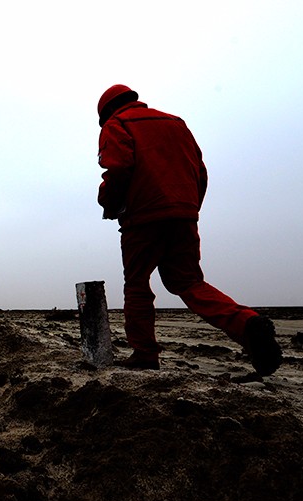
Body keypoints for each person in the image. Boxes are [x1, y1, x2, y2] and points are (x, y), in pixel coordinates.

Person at [95, 84, 282, 375]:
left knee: (137, 284)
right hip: (183, 216)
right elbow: (200, 172)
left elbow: (118, 167)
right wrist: (188, 208)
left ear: (106, 112)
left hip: (143, 220)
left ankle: (145, 354)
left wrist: (107, 200)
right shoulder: (175, 123)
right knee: (190, 283)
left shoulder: (116, 124)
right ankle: (247, 323)